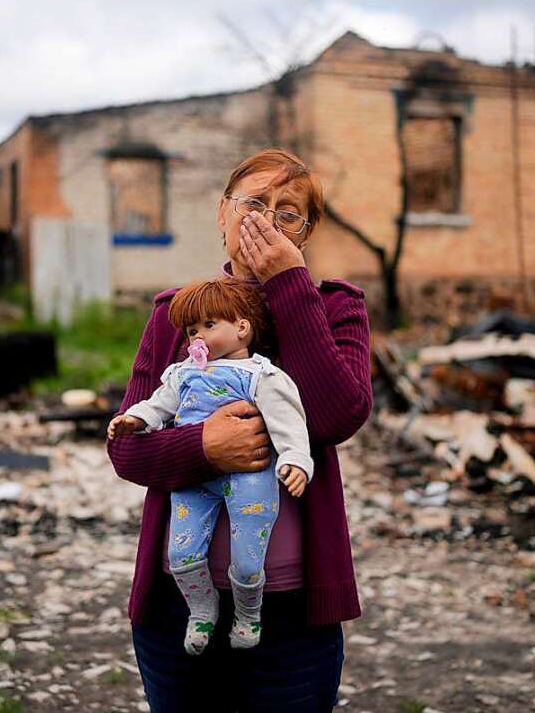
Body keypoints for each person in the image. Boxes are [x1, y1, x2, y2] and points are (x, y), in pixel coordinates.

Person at [107, 147, 372, 712]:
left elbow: (336, 416)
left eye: (287, 212)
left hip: (292, 615)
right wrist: (205, 446)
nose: (267, 221)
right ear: (221, 215)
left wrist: (288, 284)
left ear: (306, 232)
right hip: (179, 607)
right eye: (253, 204)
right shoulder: (177, 314)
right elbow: (127, 450)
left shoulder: (335, 309)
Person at [107, 277, 313, 655]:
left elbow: (288, 422)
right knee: (181, 552)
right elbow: (158, 405)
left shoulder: (262, 376)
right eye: (191, 330)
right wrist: (133, 420)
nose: (196, 337)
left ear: (242, 327)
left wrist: (296, 461)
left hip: (250, 475)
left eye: (209, 325)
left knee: (249, 557)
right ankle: (202, 610)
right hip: (195, 476)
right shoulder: (181, 373)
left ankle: (249, 613)